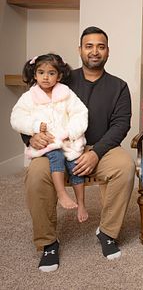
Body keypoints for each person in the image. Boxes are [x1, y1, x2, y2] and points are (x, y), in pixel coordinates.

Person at [24, 26, 135, 272]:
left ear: (108, 51)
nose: (95, 51)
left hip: (100, 148)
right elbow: (31, 108)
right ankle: (48, 242)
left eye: (100, 47)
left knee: (125, 166)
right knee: (36, 174)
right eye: (89, 46)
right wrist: (31, 137)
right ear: (80, 50)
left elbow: (121, 125)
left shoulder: (119, 86)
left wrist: (95, 153)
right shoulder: (60, 79)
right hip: (57, 148)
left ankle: (107, 232)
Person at [11, 53, 89, 222]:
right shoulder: (29, 97)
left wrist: (69, 132)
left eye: (51, 73)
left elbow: (80, 113)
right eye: (41, 72)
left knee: (76, 166)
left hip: (67, 141)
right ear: (35, 75)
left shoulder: (67, 94)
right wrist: (34, 127)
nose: (45, 77)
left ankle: (81, 203)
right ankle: (61, 193)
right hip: (48, 143)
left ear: (59, 76)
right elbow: (16, 118)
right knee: (56, 155)